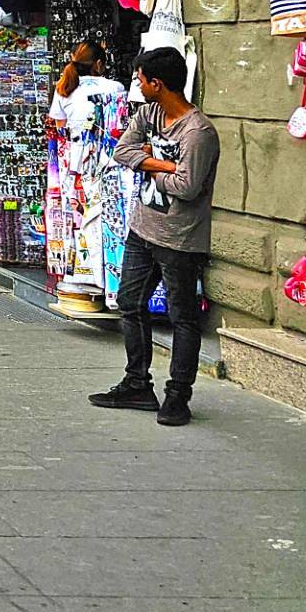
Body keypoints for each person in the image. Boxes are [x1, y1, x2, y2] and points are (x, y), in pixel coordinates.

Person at [90, 47, 219, 427]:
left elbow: (188, 186)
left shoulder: (199, 133)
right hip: (142, 227)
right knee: (130, 302)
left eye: (141, 80)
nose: (138, 85)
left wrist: (149, 166)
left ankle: (178, 395)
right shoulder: (149, 114)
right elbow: (122, 151)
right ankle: (137, 384)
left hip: (180, 237)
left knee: (183, 317)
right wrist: (162, 163)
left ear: (157, 84)